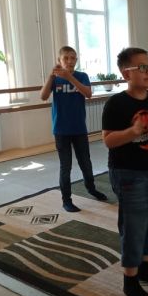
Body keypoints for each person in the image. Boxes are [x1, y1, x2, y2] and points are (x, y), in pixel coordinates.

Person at [102, 47, 148, 296]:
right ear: (126, 74)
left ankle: (144, 268)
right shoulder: (116, 104)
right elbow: (109, 140)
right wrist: (133, 131)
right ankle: (130, 280)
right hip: (127, 172)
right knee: (134, 225)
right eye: (142, 67)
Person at [40, 46, 107, 212]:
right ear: (59, 60)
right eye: (66, 58)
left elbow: (88, 94)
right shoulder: (55, 79)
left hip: (79, 129)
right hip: (61, 130)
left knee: (85, 162)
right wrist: (51, 76)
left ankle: (91, 188)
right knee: (66, 166)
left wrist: (69, 77)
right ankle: (66, 200)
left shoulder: (82, 76)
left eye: (73, 58)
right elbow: (43, 96)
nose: (70, 61)